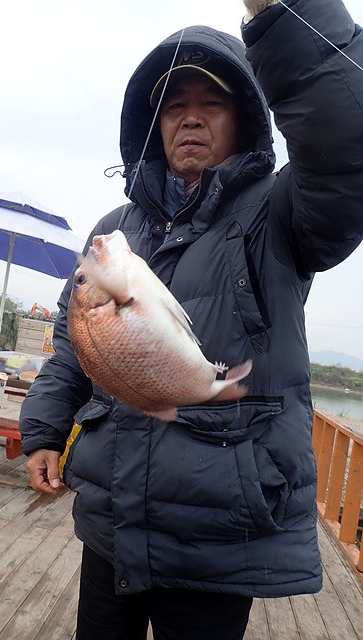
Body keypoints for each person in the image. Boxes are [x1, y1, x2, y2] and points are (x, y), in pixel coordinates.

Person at [19, 0, 363, 638]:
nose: (192, 118)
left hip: (219, 533)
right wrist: (43, 429)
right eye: (175, 106)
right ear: (155, 125)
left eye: (213, 103)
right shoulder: (114, 232)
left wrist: (283, 15)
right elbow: (74, 346)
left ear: (245, 119)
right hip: (112, 523)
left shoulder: (279, 213)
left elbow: (346, 147)